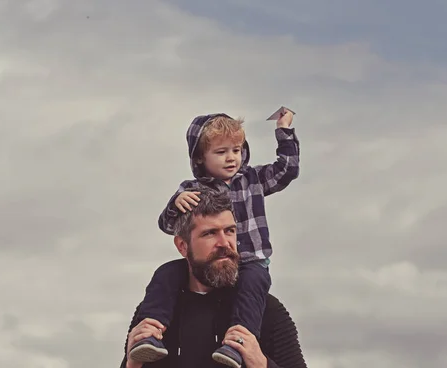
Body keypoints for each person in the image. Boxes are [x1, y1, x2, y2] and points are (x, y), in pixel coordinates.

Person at [129, 109, 300, 367]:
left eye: (237, 150)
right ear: (182, 245)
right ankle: (152, 336)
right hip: (157, 320)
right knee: (165, 272)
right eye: (221, 152)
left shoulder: (252, 178)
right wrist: (176, 204)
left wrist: (284, 131)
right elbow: (166, 224)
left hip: (252, 262)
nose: (232, 158)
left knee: (254, 282)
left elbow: (286, 170)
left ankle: (237, 344)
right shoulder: (192, 190)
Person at [119, 188, 307, 368]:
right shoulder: (156, 311)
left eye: (230, 231)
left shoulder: (267, 309)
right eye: (210, 233)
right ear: (183, 246)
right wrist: (131, 365)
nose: (224, 243)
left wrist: (260, 363)